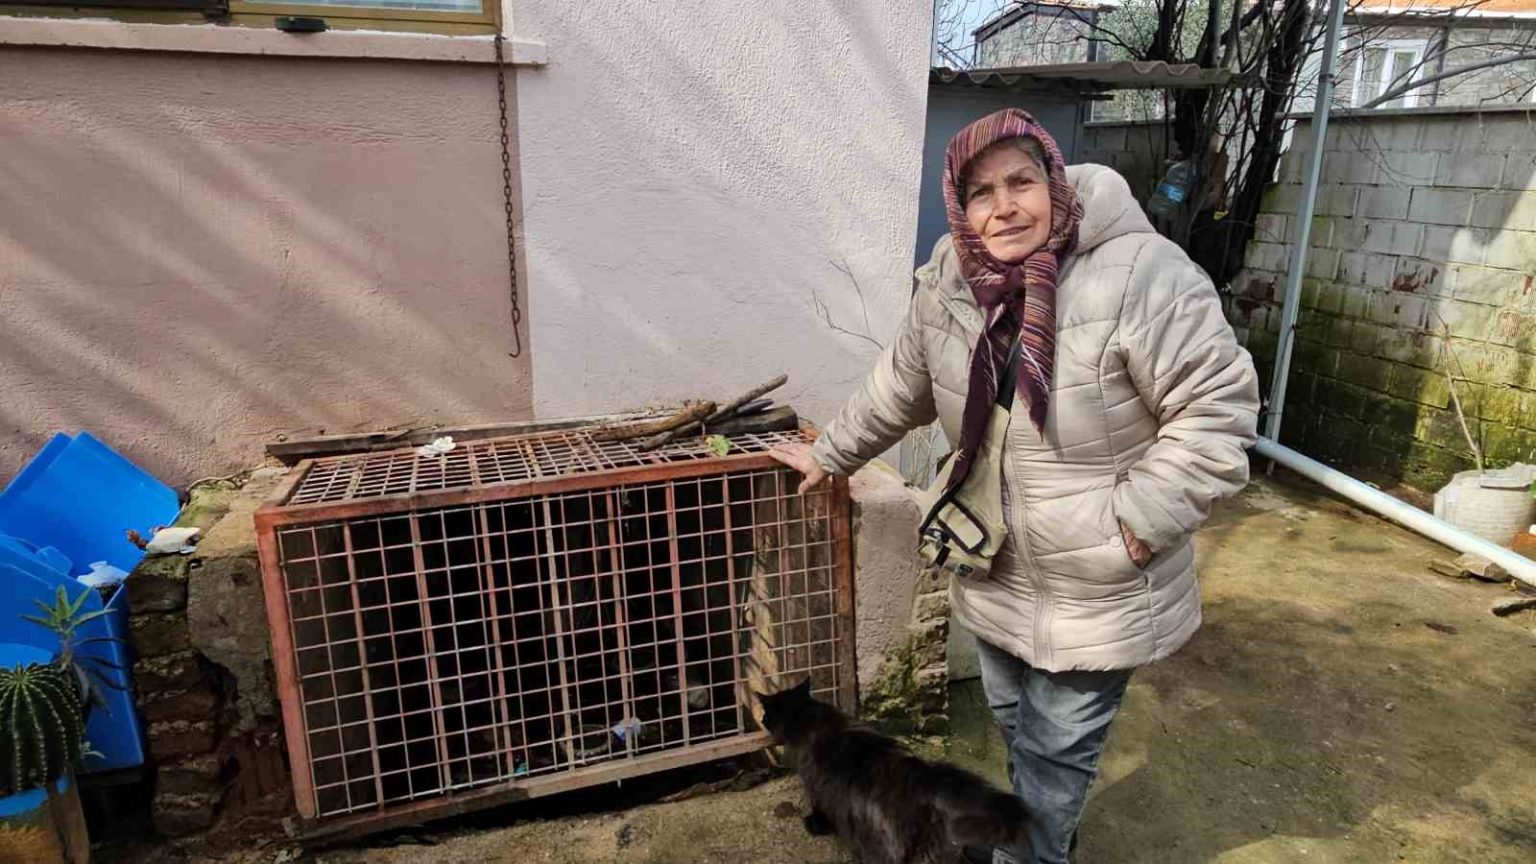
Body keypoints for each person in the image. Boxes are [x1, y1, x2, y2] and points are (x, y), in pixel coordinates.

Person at [769, 109, 1260, 864]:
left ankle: (1031, 851)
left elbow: (1217, 410)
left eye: (1021, 182)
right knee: (1019, 731)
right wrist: (830, 454)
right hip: (992, 566)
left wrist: (1137, 522)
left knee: (1056, 756)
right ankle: (1040, 835)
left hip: (1094, 582)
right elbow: (900, 386)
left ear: (1054, 183)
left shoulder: (1141, 273)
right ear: (959, 206)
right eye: (981, 193)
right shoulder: (950, 280)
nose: (1003, 207)